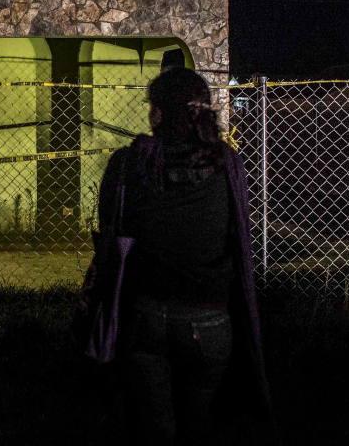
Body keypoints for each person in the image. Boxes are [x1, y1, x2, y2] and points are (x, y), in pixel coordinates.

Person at [92, 66, 274, 445]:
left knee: (152, 427)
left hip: (146, 312)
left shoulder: (129, 163)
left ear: (159, 112)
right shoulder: (227, 165)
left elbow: (110, 227)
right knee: (200, 425)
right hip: (210, 317)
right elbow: (234, 235)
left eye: (151, 106)